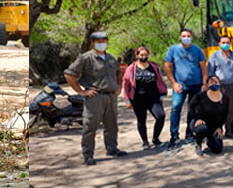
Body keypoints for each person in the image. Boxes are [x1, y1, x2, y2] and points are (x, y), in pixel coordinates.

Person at [64, 31, 126, 165]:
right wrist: (81, 92)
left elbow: (118, 74)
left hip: (111, 97)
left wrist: (119, 88)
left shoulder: (110, 58)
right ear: (93, 43)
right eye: (98, 41)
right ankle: (88, 154)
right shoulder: (86, 58)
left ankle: (112, 149)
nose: (101, 43)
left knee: (112, 125)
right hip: (95, 97)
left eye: (104, 41)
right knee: (90, 126)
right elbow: (69, 74)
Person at [163, 27, 207, 150]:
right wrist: (174, 83)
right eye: (183, 36)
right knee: (176, 109)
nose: (186, 38)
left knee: (193, 110)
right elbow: (167, 66)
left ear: (192, 37)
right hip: (180, 86)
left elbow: (203, 67)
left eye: (188, 36)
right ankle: (174, 135)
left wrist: (204, 83)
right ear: (180, 37)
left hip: (197, 85)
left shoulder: (197, 50)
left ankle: (190, 132)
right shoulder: (173, 50)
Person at [122, 45, 167, 150]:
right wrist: (127, 100)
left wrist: (162, 94)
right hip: (138, 99)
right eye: (141, 55)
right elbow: (126, 84)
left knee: (161, 116)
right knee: (141, 120)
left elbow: (159, 80)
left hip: (153, 98)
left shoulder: (154, 67)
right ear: (137, 55)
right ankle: (145, 142)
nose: (144, 57)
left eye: (146, 55)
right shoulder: (131, 69)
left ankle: (155, 139)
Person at [206, 34, 233, 136]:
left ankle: (229, 130)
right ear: (219, 44)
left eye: (227, 43)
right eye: (223, 43)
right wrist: (212, 86)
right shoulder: (214, 56)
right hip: (218, 87)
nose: (226, 44)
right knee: (218, 109)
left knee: (231, 109)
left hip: (232, 86)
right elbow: (210, 72)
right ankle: (217, 130)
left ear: (230, 44)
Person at [188, 75, 229, 156]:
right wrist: (197, 118)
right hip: (200, 123)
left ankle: (209, 139)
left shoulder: (225, 98)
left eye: (216, 82)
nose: (214, 84)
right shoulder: (200, 96)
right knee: (202, 129)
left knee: (218, 149)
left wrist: (219, 127)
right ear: (207, 85)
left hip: (214, 126)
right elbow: (190, 107)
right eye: (211, 82)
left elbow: (225, 114)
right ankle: (198, 144)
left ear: (220, 83)